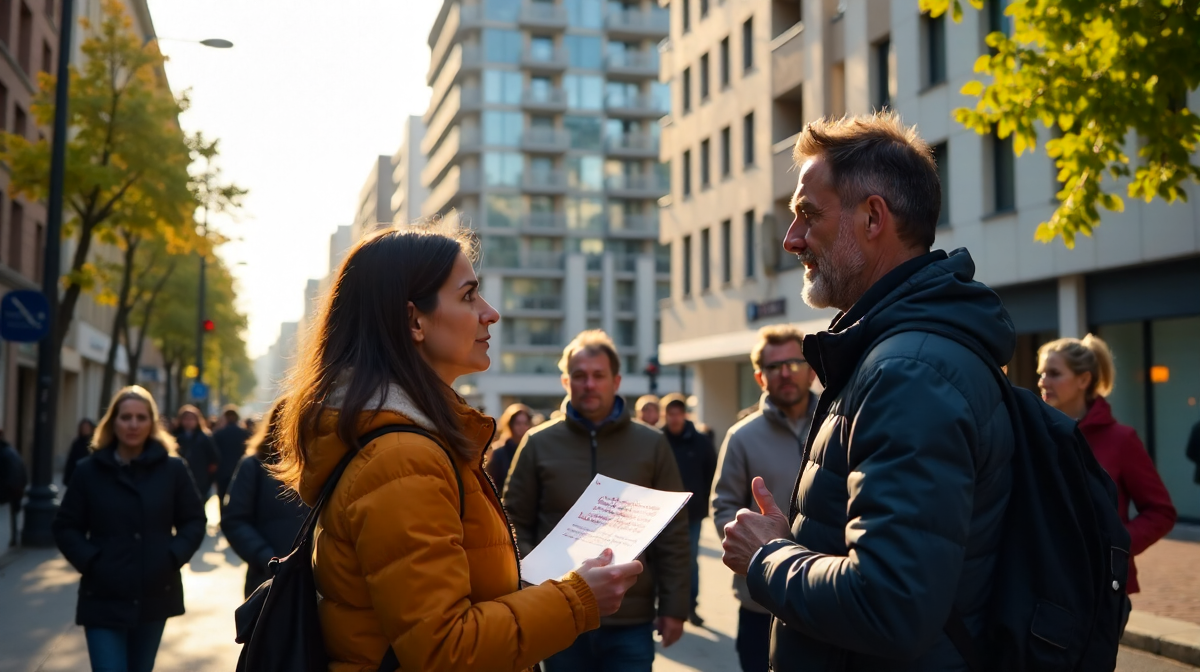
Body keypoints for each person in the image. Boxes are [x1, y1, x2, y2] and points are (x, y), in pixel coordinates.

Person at [721, 112, 1018, 671]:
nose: (792, 240)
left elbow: (892, 603)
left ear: (874, 217)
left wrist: (768, 556)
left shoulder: (908, 372)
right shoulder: (901, 358)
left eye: (808, 215)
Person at [271, 226, 644, 671]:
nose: (490, 314)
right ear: (414, 321)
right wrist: (576, 598)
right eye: (469, 296)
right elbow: (445, 648)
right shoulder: (402, 459)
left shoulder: (410, 442)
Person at [504, 330, 691, 672]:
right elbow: (512, 521)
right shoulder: (537, 443)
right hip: (560, 613)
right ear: (566, 381)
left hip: (630, 619)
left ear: (616, 380)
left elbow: (673, 533)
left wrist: (675, 607)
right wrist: (533, 587)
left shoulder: (651, 443)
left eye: (598, 375)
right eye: (579, 376)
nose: (589, 384)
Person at [52, 385, 206, 672]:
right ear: (113, 422)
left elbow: (194, 521)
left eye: (141, 417)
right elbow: (66, 527)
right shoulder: (88, 470)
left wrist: (171, 557)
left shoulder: (173, 469)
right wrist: (92, 561)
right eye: (125, 417)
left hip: (155, 593)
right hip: (103, 595)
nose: (133, 425)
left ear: (152, 422)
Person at [711, 324, 818, 672]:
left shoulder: (839, 423)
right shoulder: (741, 437)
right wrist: (760, 550)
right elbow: (723, 506)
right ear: (760, 377)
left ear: (812, 370)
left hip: (828, 594)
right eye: (774, 367)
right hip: (762, 602)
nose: (786, 373)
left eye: (794, 363)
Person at [1038, 334, 1177, 596]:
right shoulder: (1035, 435)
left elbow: (1161, 512)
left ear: (1084, 379)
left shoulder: (1122, 439)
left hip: (1103, 589)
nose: (1043, 381)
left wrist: (1113, 545)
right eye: (1042, 373)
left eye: (1054, 373)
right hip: (1044, 583)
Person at [221, 398, 309, 597]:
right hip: (267, 584)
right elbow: (235, 519)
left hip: (318, 586)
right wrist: (266, 558)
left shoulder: (324, 466)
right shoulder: (254, 465)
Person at [659, 392, 717, 627]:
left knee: (690, 561)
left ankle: (691, 607)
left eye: (678, 413)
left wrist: (703, 503)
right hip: (661, 514)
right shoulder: (657, 440)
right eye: (670, 413)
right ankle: (663, 608)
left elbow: (712, 475)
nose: (674, 418)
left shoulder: (701, 441)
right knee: (662, 561)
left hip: (691, 514)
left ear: (684, 414)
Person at [173, 405, 219, 502]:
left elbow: (214, 460)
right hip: (177, 481)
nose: (189, 422)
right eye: (186, 419)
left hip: (200, 481)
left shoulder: (205, 437)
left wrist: (207, 479)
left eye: (191, 419)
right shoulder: (174, 437)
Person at [484, 402, 533, 487]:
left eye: (525, 423)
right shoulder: (498, 453)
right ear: (510, 425)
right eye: (518, 423)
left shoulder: (533, 450)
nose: (522, 427)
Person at [212, 405, 251, 503]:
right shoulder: (244, 433)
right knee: (238, 498)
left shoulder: (218, 434)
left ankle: (222, 515)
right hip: (240, 469)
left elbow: (213, 454)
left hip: (222, 470)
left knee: (221, 497)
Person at [0, 430, 27, 547]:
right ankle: (15, 537)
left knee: (12, 512)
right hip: (16, 486)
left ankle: (15, 538)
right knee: (14, 513)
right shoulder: (11, 451)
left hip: (9, 486)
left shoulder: (4, 453)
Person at [63, 418, 97, 486]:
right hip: (78, 475)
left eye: (87, 427)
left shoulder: (95, 443)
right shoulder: (77, 443)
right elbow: (71, 461)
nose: (85, 429)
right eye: (83, 427)